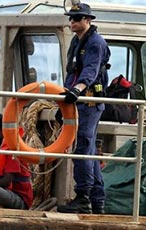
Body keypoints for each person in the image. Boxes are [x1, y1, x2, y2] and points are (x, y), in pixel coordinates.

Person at [57, 3, 110, 214]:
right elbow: (72, 72)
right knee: (88, 150)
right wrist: (65, 99)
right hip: (78, 101)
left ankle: (83, 198)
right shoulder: (76, 42)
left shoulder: (96, 43)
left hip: (89, 102)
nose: (73, 22)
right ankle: (97, 201)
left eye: (77, 18)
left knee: (83, 147)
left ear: (88, 20)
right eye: (71, 18)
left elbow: (90, 70)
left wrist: (77, 89)